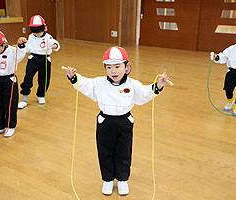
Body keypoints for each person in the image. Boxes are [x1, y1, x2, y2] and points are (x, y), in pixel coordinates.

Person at [64, 46, 170, 196]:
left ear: (126, 66)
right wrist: (73, 77)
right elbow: (85, 84)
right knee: (104, 151)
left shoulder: (132, 84)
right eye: (109, 67)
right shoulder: (99, 83)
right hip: (105, 122)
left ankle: (122, 179)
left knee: (123, 151)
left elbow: (145, 92)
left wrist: (158, 85)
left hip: (124, 122)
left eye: (117, 66)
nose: (113, 71)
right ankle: (107, 180)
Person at [18, 15, 60, 109]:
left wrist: (54, 46)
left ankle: (41, 95)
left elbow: (55, 43)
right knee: (28, 78)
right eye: (35, 33)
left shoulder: (48, 37)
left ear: (44, 29)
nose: (37, 35)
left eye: (39, 32)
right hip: (33, 59)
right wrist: (22, 46)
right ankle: (24, 99)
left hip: (45, 60)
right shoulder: (31, 37)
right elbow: (28, 49)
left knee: (44, 79)